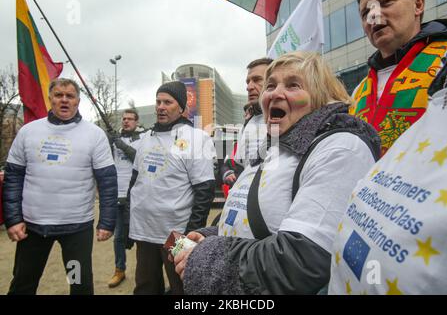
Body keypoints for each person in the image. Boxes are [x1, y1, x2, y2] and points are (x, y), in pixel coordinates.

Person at [174, 52, 381, 294]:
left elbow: (302, 261)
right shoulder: (271, 145)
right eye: (270, 85)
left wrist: (206, 257)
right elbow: (251, 216)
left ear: (320, 97)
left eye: (293, 85)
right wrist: (210, 237)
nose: (274, 93)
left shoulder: (342, 147)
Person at [328, 65, 447, 295]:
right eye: (365, 23)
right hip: (367, 209)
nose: (373, 25)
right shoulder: (362, 87)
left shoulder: (437, 62)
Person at [2, 78, 117, 295]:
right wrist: (13, 219)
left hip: (76, 228)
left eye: (70, 96)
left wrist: (107, 222)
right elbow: (13, 178)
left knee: (78, 283)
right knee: (24, 283)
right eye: (58, 95)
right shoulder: (28, 132)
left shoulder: (94, 135)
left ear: (78, 101)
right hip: (32, 227)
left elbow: (108, 181)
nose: (64, 100)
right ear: (50, 99)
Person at [128, 81, 216, 295]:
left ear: (182, 108)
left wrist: (191, 232)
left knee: (182, 287)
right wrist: (126, 220)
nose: (160, 106)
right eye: (158, 101)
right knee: (146, 286)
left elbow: (205, 190)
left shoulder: (196, 138)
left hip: (177, 234)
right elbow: (135, 181)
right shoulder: (146, 138)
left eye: (167, 102)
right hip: (144, 230)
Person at [352, 0, 447, 156]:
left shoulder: (446, 59)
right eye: (365, 12)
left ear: (418, 5)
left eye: (385, 3)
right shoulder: (358, 91)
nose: (373, 15)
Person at [107, 109, 145, 288]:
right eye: (124, 119)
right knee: (118, 237)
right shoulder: (115, 138)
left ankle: (143, 272)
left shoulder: (143, 138)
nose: (126, 122)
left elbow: (139, 158)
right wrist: (109, 139)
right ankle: (119, 269)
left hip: (136, 195)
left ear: (137, 122)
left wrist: (121, 145)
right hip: (117, 194)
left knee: (140, 237)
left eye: (130, 119)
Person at [221, 58, 273, 187]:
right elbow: (240, 165)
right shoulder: (248, 124)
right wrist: (228, 174)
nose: (249, 87)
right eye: (248, 81)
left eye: (257, 80)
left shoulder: (288, 120)